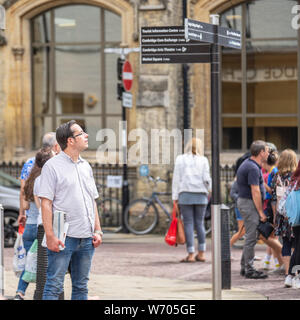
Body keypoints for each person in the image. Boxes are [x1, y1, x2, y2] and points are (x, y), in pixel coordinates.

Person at [38, 120, 102, 300]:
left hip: (87, 237)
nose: (86, 136)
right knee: (54, 285)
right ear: (70, 141)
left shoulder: (85, 166)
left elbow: (92, 200)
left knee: (81, 286)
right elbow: (46, 203)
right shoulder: (52, 166)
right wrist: (50, 235)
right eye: (81, 133)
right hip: (63, 237)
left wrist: (97, 229)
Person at [237, 140, 283, 279]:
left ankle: (245, 267)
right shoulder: (252, 167)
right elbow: (255, 191)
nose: (269, 154)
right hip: (249, 204)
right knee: (251, 238)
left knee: (252, 236)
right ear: (261, 152)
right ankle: (249, 269)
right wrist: (261, 212)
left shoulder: (251, 165)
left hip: (247, 204)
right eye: (267, 151)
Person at [13, 148, 53, 300]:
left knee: (31, 262)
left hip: (29, 225)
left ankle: (20, 292)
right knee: (44, 264)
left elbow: (25, 206)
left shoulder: (31, 179)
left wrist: (22, 215)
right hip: (41, 227)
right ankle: (43, 293)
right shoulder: (45, 179)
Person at [172, 137, 211, 263]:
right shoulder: (203, 160)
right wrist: (210, 190)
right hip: (201, 195)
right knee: (199, 224)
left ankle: (190, 254)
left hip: (185, 194)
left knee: (188, 223)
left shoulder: (180, 159)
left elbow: (176, 179)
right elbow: (206, 179)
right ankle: (202, 253)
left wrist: (175, 197)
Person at [17, 132, 61, 229]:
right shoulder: (55, 162)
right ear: (55, 145)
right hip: (47, 219)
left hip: (31, 218)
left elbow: (23, 190)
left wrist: (21, 213)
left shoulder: (29, 162)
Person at [271, 150, 298, 287]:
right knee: (297, 244)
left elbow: (274, 200)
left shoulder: (276, 177)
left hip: (282, 216)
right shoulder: (295, 177)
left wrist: (276, 217)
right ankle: (295, 274)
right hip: (295, 214)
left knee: (286, 243)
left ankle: (288, 273)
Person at [261, 149, 283, 272]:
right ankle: (272, 261)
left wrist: (262, 184)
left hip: (271, 205)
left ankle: (278, 262)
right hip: (269, 204)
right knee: (270, 235)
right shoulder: (271, 171)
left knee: (269, 235)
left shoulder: (273, 172)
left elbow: (272, 191)